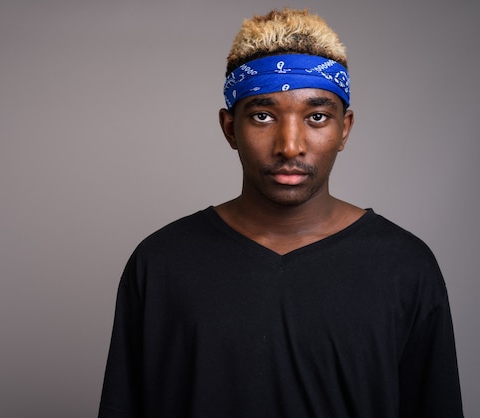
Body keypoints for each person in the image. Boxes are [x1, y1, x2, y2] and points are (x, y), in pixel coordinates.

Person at [98, 8, 463, 418]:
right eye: (262, 115)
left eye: (317, 117)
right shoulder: (160, 262)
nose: (290, 146)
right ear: (229, 129)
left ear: (344, 129)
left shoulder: (405, 267)